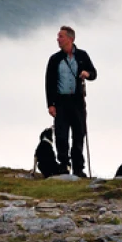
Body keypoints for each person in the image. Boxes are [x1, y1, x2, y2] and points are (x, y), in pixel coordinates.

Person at [45, 26, 97, 177]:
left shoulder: (82, 55)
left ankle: (78, 167)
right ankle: (63, 165)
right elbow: (49, 82)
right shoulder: (55, 59)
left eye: (61, 36)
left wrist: (87, 74)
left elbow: (94, 73)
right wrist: (50, 104)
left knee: (79, 134)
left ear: (70, 39)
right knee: (61, 135)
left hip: (77, 101)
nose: (58, 39)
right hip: (61, 101)